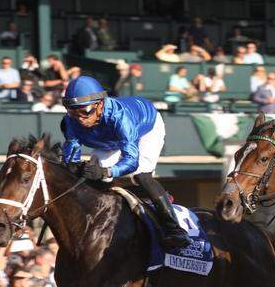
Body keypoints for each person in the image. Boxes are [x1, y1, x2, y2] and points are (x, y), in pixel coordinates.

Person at [60, 76, 190, 248]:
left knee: (141, 176)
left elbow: (131, 160)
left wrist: (106, 172)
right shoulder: (71, 122)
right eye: (73, 112)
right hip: (108, 139)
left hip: (145, 127)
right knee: (93, 180)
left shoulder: (121, 118)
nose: (80, 119)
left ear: (100, 104)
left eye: (85, 111)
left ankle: (175, 230)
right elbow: (72, 158)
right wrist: (74, 168)